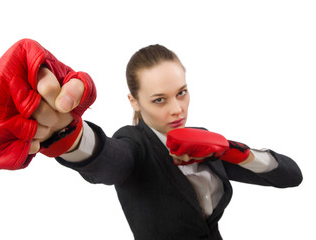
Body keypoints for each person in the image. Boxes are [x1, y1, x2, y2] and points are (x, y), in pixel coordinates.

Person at [30, 44, 302, 240]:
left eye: (181, 93)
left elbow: (291, 176)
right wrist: (66, 133)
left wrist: (236, 152)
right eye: (160, 99)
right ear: (134, 101)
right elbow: (111, 162)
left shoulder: (203, 138)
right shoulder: (133, 143)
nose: (177, 109)